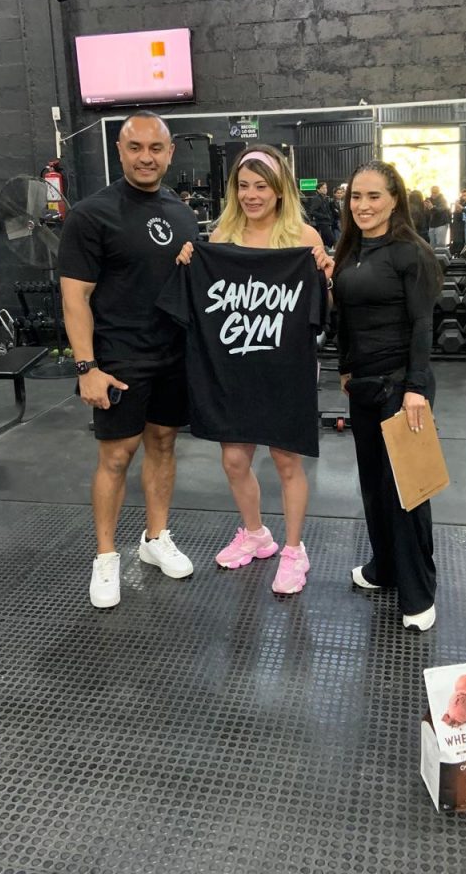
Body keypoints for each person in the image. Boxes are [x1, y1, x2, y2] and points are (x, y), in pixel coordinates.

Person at [175, 145, 333, 595]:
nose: (252, 195)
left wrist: (326, 272)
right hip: (234, 367)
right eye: (243, 186)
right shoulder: (223, 234)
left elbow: (324, 306)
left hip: (285, 367)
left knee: (286, 459)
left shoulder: (302, 236)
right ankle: (255, 533)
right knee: (233, 459)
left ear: (279, 189)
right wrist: (190, 261)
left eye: (261, 186)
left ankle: (294, 550)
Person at [59, 111, 200, 609]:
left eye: (155, 148)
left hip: (172, 354)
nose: (146, 157)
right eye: (135, 147)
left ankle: (155, 538)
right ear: (119, 151)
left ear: (170, 153)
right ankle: (105, 556)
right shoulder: (92, 214)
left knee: (163, 444)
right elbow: (75, 297)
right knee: (116, 457)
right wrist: (86, 367)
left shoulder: (182, 213)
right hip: (118, 357)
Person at [332, 160, 443, 631]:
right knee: (374, 486)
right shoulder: (351, 250)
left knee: (407, 491)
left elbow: (422, 323)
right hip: (363, 384)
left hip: (401, 386)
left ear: (394, 199)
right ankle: (385, 568)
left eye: (374, 196)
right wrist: (345, 367)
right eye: (356, 197)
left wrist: (416, 388)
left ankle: (419, 593)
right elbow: (345, 317)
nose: (363, 205)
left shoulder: (410, 253)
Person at [305, 180, 335, 248]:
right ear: (318, 190)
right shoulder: (317, 199)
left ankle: (325, 250)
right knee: (331, 239)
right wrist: (324, 216)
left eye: (326, 188)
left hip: (326, 222)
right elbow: (312, 211)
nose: (325, 189)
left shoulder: (325, 198)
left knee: (325, 240)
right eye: (323, 188)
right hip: (321, 222)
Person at [450, 188, 466, 255]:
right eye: (462, 196)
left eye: (465, 195)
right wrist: (458, 210)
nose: (463, 197)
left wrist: (462, 209)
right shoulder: (464, 203)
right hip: (464, 225)